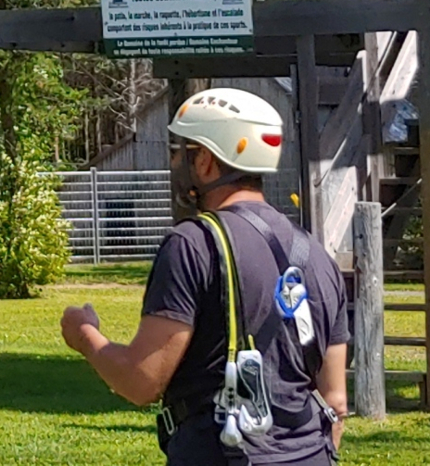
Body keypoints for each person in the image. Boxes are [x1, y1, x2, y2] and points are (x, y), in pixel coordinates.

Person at [60, 88, 347, 465]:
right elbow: (336, 402)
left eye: (182, 152)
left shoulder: (193, 244)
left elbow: (140, 381)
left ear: (208, 163)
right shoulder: (315, 255)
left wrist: (85, 336)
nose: (175, 162)